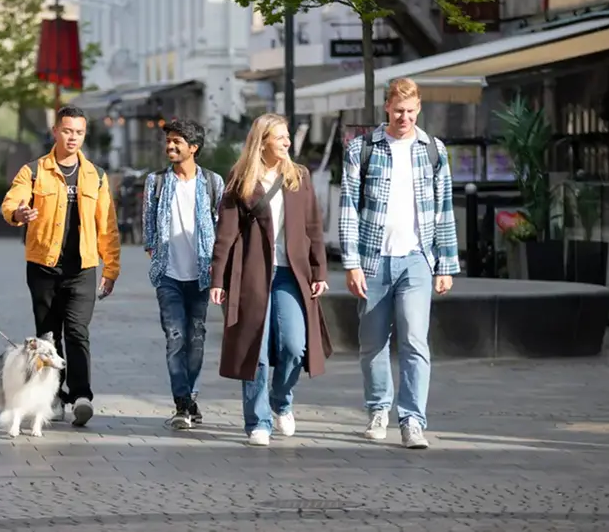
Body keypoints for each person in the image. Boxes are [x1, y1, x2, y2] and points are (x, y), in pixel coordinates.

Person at [338, 77, 460, 450]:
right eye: (398, 110)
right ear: (386, 107)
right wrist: (351, 263)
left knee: (414, 340)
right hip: (373, 260)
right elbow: (348, 208)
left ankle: (412, 420)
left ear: (418, 107)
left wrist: (446, 265)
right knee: (372, 343)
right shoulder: (362, 148)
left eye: (410, 111)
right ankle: (378, 410)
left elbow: (444, 209)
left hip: (417, 260)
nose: (404, 117)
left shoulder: (433, 150)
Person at [210, 113, 333, 447]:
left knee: (295, 346)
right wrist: (217, 279)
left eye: (288, 136)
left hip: (290, 273)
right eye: (281, 137)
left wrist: (319, 270)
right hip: (251, 273)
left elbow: (313, 228)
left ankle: (281, 400)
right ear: (262, 141)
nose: (287, 142)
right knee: (256, 350)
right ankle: (257, 421)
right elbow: (226, 233)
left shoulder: (298, 176)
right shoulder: (241, 178)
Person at [1, 105, 121, 427]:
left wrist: (111, 268)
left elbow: (107, 225)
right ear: (56, 131)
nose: (73, 137)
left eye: (79, 132)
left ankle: (81, 395)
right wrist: (19, 214)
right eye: (67, 131)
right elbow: (12, 201)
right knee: (48, 335)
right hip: (43, 266)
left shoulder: (95, 176)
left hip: (82, 267)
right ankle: (52, 396)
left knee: (78, 332)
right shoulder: (34, 171)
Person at [142, 119, 225, 429]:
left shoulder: (214, 183)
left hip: (202, 274)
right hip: (168, 274)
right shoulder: (157, 181)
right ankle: (182, 403)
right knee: (175, 337)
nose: (170, 146)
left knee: (197, 338)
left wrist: (221, 265)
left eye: (177, 141)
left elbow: (224, 226)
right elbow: (148, 220)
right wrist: (153, 248)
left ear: (194, 147)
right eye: (168, 141)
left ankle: (191, 396)